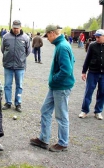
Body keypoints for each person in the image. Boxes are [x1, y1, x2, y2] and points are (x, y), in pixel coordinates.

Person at [30, 24, 75, 152]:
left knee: (61, 116)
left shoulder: (62, 46)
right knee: (45, 110)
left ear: (52, 33)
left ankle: (63, 143)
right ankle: (43, 139)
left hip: (61, 87)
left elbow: (66, 70)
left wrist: (54, 79)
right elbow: (74, 60)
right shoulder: (61, 44)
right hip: (55, 87)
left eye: (47, 36)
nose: (47, 39)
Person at [1, 20, 31, 112]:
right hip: (8, 65)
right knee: (7, 85)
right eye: (14, 27)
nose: (16, 29)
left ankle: (18, 103)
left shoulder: (26, 37)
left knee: (19, 86)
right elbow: (3, 49)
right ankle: (8, 102)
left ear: (20, 27)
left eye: (17, 28)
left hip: (20, 66)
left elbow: (28, 51)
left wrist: (21, 58)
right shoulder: (6, 37)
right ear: (12, 27)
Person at [78, 29, 104, 120]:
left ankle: (98, 111)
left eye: (98, 37)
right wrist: (84, 72)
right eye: (96, 37)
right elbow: (87, 59)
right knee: (88, 92)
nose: (96, 38)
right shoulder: (92, 46)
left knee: (102, 93)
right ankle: (84, 110)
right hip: (93, 72)